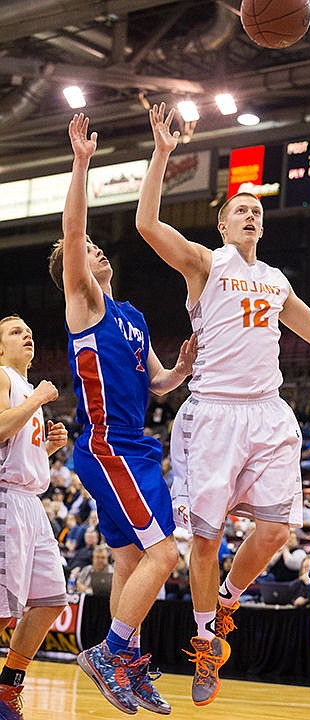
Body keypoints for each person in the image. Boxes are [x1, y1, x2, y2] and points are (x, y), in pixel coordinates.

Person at [134, 102, 310, 707]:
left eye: (256, 209)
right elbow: (149, 226)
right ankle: (207, 641)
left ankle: (228, 599)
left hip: (266, 410)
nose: (251, 213)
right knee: (203, 540)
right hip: (212, 411)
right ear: (224, 226)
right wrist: (161, 153)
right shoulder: (205, 265)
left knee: (278, 527)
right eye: (240, 209)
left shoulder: (277, 279)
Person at [47, 113, 197, 716]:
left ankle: (127, 665)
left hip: (137, 447)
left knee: (138, 563)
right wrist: (82, 163)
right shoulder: (82, 303)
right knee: (166, 555)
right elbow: (72, 226)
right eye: (83, 250)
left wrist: (182, 367)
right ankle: (109, 652)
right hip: (107, 447)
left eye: (94, 248)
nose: (93, 249)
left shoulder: (131, 315)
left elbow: (158, 382)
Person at [0, 315, 69, 719]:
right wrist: (38, 401)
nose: (26, 334)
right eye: (14, 332)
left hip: (31, 504)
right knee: (5, 611)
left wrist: (47, 450)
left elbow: (17, 454)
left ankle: (9, 687)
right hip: (7, 500)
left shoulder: (27, 390)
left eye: (29, 330)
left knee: (50, 600)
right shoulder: (6, 378)